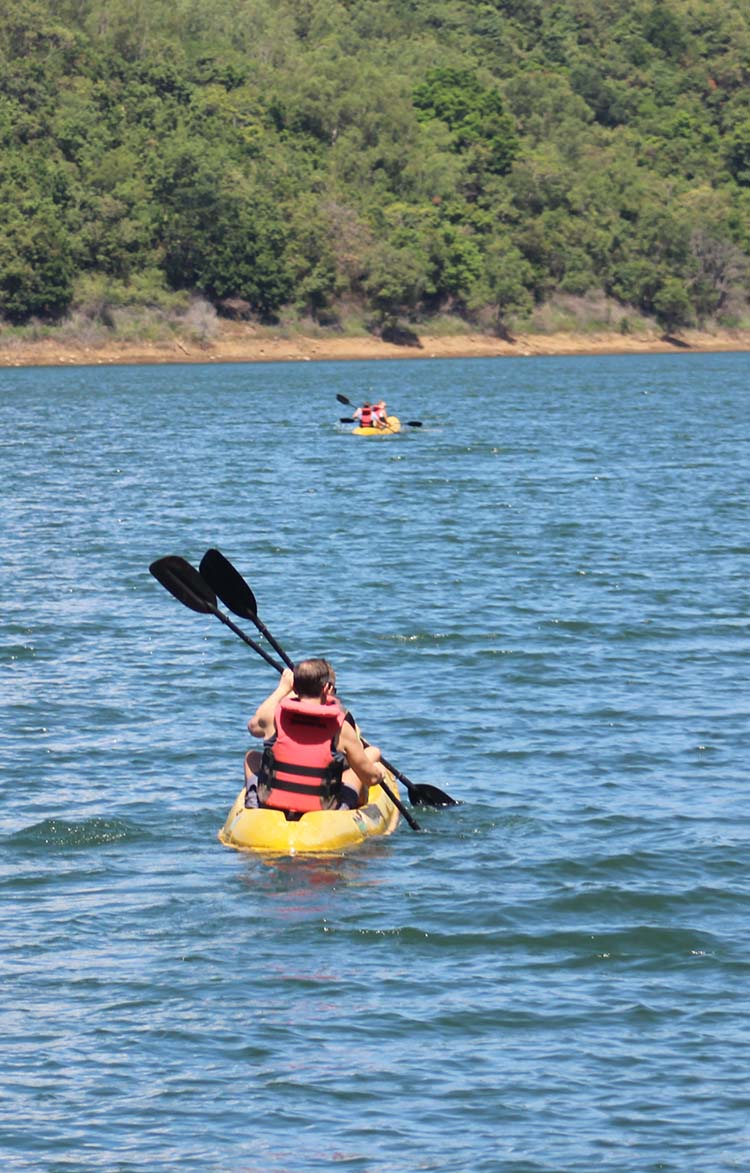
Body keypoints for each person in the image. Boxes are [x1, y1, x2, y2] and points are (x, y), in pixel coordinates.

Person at [243, 658, 386, 813]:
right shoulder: (340, 727)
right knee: (356, 771)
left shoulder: (272, 717)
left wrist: (282, 689)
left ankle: (254, 805)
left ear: (294, 688)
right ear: (327, 688)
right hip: (322, 810)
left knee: (252, 757)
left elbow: (253, 727)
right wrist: (380, 774)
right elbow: (369, 778)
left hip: (272, 802)